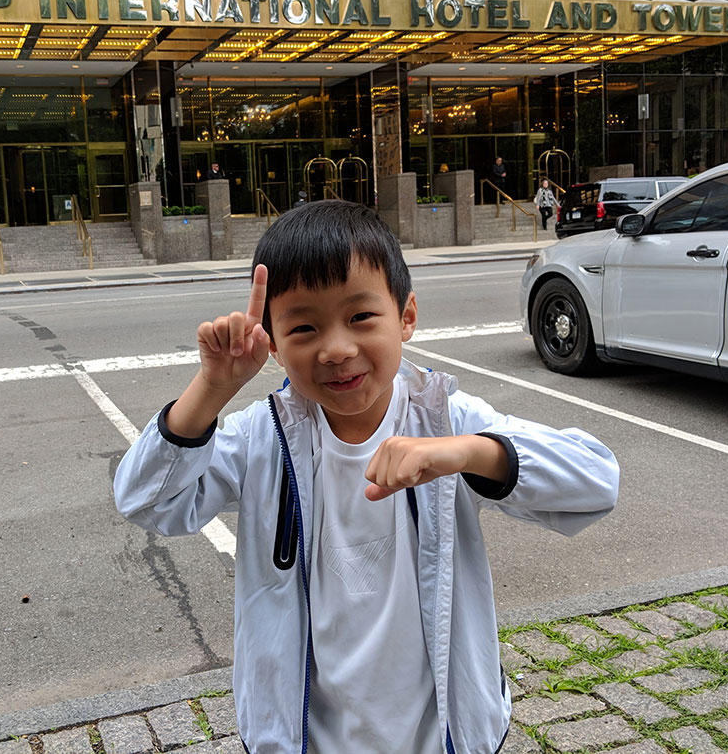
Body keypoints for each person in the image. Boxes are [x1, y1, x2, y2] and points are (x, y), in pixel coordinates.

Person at [113, 200, 619, 754]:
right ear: (274, 346)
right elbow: (145, 500)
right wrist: (211, 390)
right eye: (303, 326)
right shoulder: (263, 438)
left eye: (360, 317)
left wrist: (469, 454)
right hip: (307, 738)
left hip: (444, 734)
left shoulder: (446, 420)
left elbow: (597, 479)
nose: (336, 348)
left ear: (406, 316)